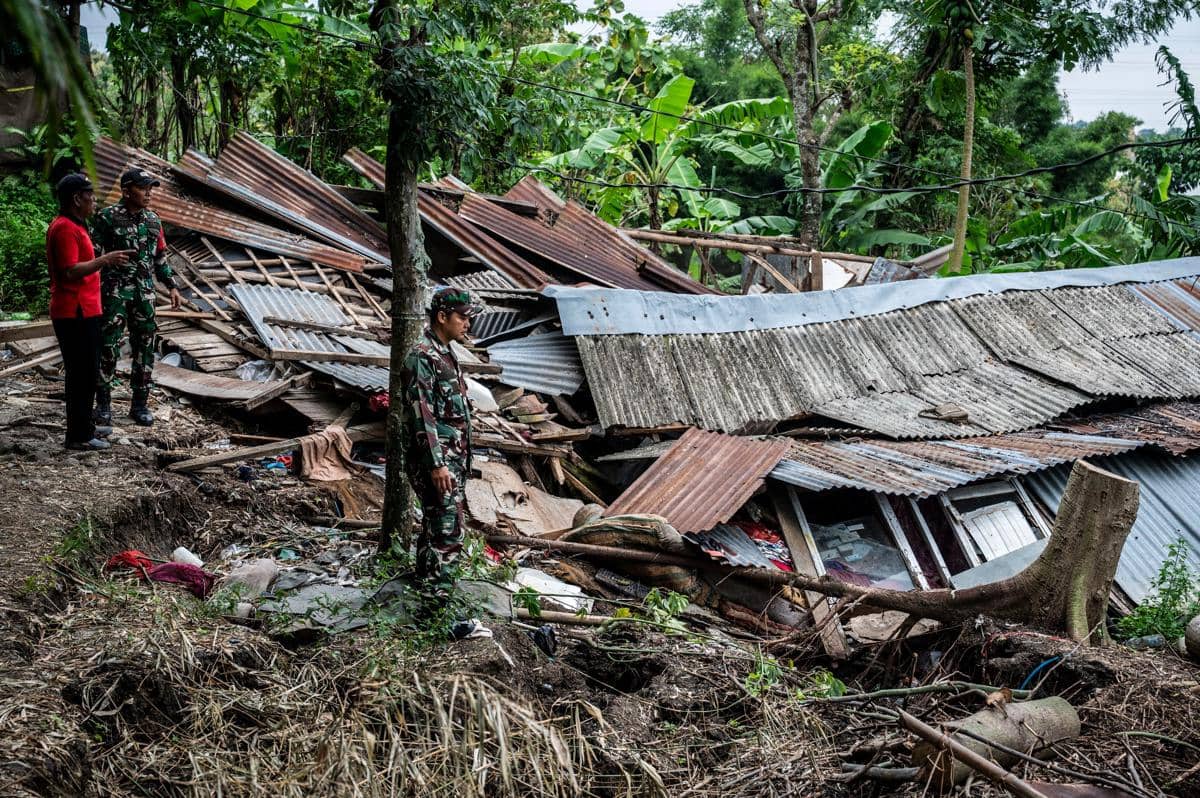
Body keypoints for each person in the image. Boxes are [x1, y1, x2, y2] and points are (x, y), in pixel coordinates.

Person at [400, 287, 489, 640]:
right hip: (437, 464)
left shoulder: (445, 354)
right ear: (442, 316)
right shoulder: (422, 356)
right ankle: (436, 619)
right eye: (463, 317)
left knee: (436, 531)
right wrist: (436, 465)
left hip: (451, 461)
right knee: (448, 536)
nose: (467, 323)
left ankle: (425, 605)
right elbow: (422, 415)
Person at [45, 173, 133, 450]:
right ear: (76, 198)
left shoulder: (77, 225)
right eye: (90, 195)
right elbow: (70, 271)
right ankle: (79, 435)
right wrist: (104, 260)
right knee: (80, 374)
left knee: (87, 371)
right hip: (74, 312)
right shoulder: (64, 229)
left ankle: (86, 426)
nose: (95, 200)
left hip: (86, 310)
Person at [91, 168, 181, 427]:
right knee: (108, 347)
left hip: (145, 294)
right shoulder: (107, 218)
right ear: (127, 190)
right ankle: (104, 405)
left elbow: (160, 257)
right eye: (143, 188)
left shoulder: (154, 220)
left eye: (151, 189)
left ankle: (139, 404)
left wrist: (172, 286)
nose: (148, 194)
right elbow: (94, 254)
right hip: (114, 293)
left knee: (145, 348)